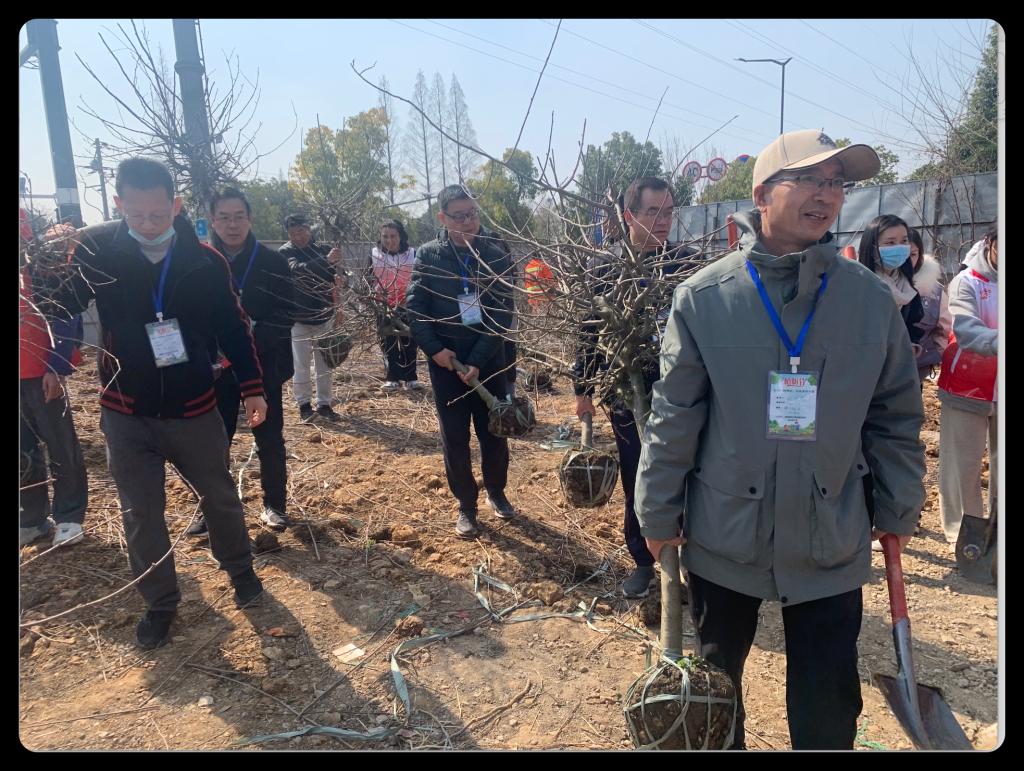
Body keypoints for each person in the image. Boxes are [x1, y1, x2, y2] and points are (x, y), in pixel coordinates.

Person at [635, 130, 926, 750]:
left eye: (837, 183)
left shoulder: (869, 301)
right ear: (762, 194)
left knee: (827, 705)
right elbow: (675, 413)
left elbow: (895, 415)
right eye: (810, 180)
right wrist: (657, 510)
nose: (827, 195)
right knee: (716, 694)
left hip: (830, 532)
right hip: (726, 533)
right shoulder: (705, 299)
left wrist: (899, 504)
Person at [40, 158, 267, 650]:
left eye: (158, 214)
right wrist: (44, 260)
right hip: (126, 409)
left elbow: (233, 327)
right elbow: (60, 303)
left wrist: (253, 387)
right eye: (137, 214)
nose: (147, 224)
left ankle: (240, 570)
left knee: (218, 495)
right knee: (140, 511)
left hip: (194, 406)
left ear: (176, 205)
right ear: (118, 204)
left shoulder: (205, 261)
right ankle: (160, 602)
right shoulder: (98, 252)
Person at [573, 177, 697, 598]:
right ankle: (643, 561)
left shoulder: (686, 265)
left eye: (669, 212)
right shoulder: (606, 269)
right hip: (626, 392)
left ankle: (689, 563)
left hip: (682, 393)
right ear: (629, 215)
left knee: (688, 476)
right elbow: (588, 333)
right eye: (653, 212)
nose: (664, 221)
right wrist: (583, 389)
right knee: (638, 476)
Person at [406, 185, 517, 537]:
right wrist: (436, 350)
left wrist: (479, 360)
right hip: (447, 364)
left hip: (489, 362)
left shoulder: (495, 255)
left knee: (494, 431)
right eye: (459, 216)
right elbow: (415, 309)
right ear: (443, 218)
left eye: (472, 214)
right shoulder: (428, 256)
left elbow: (502, 314)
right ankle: (466, 505)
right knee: (454, 437)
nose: (469, 222)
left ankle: (496, 491)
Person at [184, 187, 295, 536]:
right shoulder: (199, 262)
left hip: (263, 366)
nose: (232, 225)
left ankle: (275, 505)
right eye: (224, 218)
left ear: (250, 219)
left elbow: (287, 312)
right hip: (214, 369)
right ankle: (212, 512)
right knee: (215, 443)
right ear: (212, 221)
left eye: (239, 217)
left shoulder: (273, 262)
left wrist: (250, 343)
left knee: (269, 437)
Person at [20, 222, 89, 548]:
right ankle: (32, 518)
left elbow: (65, 313)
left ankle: (69, 516)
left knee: (61, 445)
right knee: (22, 451)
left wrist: (57, 366)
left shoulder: (41, 264)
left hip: (40, 371)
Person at [937, 225, 998, 548]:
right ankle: (965, 538)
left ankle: (997, 535)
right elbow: (967, 330)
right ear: (990, 243)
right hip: (967, 387)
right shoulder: (967, 282)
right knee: (963, 467)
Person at [280, 213, 342, 423]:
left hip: (324, 315)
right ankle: (304, 405)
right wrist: (326, 261)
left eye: (301, 231)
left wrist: (339, 277)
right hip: (298, 317)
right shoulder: (285, 252)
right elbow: (297, 270)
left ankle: (324, 404)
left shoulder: (324, 249)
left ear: (309, 229)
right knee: (301, 365)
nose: (298, 237)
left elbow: (333, 278)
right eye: (293, 233)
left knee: (325, 364)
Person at [858, 214, 925, 351]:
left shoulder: (907, 288)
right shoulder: (858, 284)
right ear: (872, 247)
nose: (899, 247)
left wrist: (911, 347)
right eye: (890, 243)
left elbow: (913, 325)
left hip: (896, 359)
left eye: (904, 241)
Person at [371, 219, 423, 393]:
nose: (389, 240)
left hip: (408, 305)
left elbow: (420, 279)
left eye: (393, 236)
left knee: (409, 341)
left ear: (401, 236)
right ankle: (392, 378)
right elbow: (367, 279)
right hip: (383, 305)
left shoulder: (413, 254)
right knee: (388, 342)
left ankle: (410, 378)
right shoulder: (374, 254)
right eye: (385, 236)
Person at [908, 229, 951, 383]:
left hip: (917, 368)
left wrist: (935, 354)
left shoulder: (934, 290)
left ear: (920, 255)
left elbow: (944, 328)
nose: (906, 259)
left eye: (912, 254)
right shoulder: (873, 284)